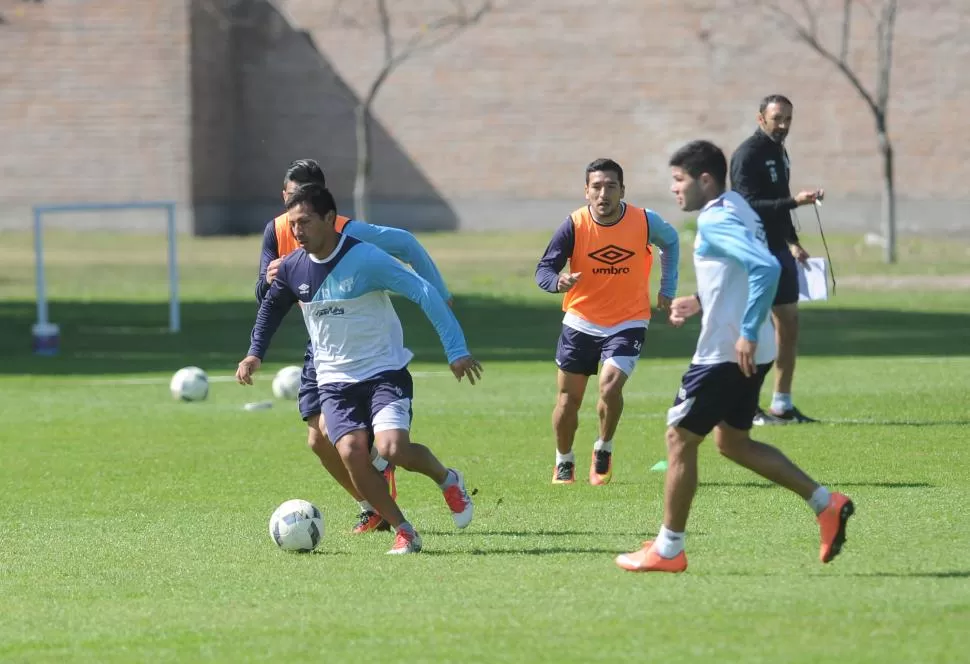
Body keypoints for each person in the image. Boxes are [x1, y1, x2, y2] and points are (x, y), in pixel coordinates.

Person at [615, 140, 854, 573]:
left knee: (679, 438)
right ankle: (826, 503)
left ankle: (668, 549)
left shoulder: (715, 220)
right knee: (733, 442)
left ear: (704, 179)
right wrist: (701, 299)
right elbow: (740, 272)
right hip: (754, 347)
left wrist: (742, 331)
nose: (674, 189)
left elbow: (766, 267)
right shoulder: (737, 206)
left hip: (726, 351)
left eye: (678, 180)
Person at [238, 182, 480, 555]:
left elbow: (422, 292)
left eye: (304, 222)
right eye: (292, 225)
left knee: (392, 448)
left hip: (383, 372)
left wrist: (456, 348)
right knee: (351, 451)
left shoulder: (366, 259)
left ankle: (447, 479)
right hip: (334, 382)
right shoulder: (292, 267)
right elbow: (271, 308)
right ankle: (404, 530)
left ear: (330, 219)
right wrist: (255, 353)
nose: (296, 232)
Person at [535, 158, 680, 485]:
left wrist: (667, 288)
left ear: (622, 190)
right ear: (587, 192)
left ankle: (603, 447)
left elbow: (670, 241)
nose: (604, 194)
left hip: (628, 320)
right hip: (580, 321)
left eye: (610, 186)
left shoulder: (644, 220)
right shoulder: (574, 225)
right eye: (597, 187)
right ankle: (564, 460)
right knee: (568, 400)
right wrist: (556, 282)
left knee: (610, 385)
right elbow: (544, 269)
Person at [730, 95, 823, 424]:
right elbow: (747, 206)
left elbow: (779, 202)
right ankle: (747, 406)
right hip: (754, 251)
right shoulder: (747, 154)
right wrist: (794, 202)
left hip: (780, 250)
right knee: (754, 329)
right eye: (777, 119)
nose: (783, 125)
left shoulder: (779, 152)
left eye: (788, 119)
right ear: (760, 119)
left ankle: (782, 404)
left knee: (789, 325)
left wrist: (793, 242)